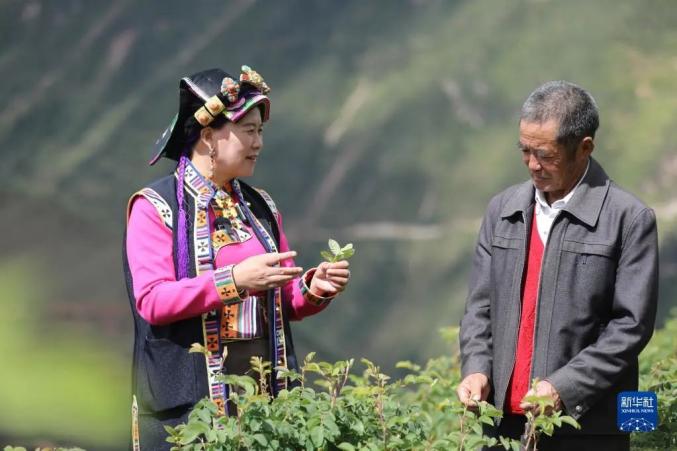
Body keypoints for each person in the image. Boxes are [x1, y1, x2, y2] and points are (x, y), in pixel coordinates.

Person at [122, 65, 351, 450]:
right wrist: (234, 281)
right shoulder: (155, 208)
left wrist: (312, 288)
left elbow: (280, 302)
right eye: (248, 131)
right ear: (209, 136)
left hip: (264, 394)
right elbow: (152, 300)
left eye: (260, 131)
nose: (258, 142)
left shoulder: (259, 206)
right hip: (189, 405)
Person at [457, 81, 658, 450]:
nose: (533, 165)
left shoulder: (629, 220)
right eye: (525, 151)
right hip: (502, 428)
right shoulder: (502, 211)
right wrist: (476, 369)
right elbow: (479, 310)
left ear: (584, 148)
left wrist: (563, 388)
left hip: (586, 430)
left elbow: (630, 327)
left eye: (546, 155)